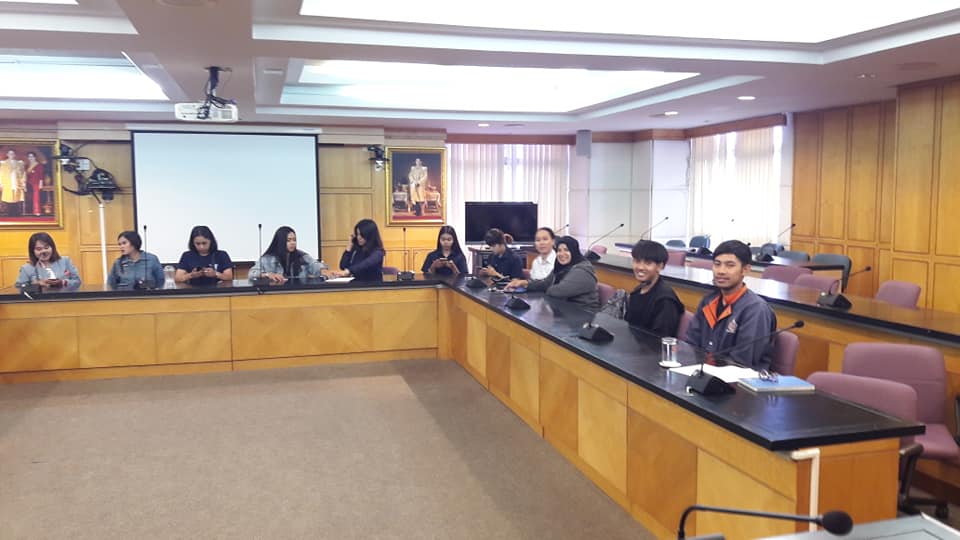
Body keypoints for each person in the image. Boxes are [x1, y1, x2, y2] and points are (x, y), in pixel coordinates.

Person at [685, 240, 777, 371]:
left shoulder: (756, 309)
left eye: (730, 265)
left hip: (736, 379)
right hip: (701, 372)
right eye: (717, 264)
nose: (721, 271)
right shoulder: (708, 301)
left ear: (745, 269)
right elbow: (691, 343)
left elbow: (742, 361)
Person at [506, 236, 600, 308]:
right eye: (559, 250)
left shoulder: (582, 271)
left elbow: (558, 291)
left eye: (566, 250)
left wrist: (546, 288)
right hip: (565, 309)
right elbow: (545, 283)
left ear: (574, 251)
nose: (562, 254)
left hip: (584, 314)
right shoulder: (561, 267)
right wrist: (525, 283)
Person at [624, 240, 684, 337]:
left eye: (648, 263)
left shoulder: (665, 300)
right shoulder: (637, 291)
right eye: (637, 261)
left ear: (660, 266)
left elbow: (660, 339)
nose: (640, 267)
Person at [250, 226, 326, 283]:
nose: (293, 243)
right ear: (280, 241)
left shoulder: (302, 256)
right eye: (288, 240)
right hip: (275, 293)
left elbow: (314, 264)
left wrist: (323, 270)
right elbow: (252, 273)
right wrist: (267, 274)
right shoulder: (267, 259)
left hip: (298, 293)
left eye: (294, 240)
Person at [16, 232, 81, 289]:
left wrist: (62, 282)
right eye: (39, 249)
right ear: (33, 251)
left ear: (52, 247)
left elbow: (77, 281)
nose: (43, 251)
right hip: (39, 299)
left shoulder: (65, 261)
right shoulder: (27, 268)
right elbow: (19, 287)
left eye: (46, 247)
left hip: (65, 298)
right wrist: (36, 284)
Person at [0, 149, 26, 214]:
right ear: (7, 155)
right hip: (7, 182)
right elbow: (1, 173)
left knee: (16, 197)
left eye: (12, 153)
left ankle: (16, 212)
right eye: (10, 153)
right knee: (8, 197)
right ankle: (9, 212)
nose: (11, 155)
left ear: (14, 155)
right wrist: (1, 183)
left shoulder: (19, 163)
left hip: (17, 182)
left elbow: (23, 173)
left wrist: (23, 182)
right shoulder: (3, 163)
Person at [25, 152, 47, 216]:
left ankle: (37, 211)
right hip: (29, 183)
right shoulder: (28, 166)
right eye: (29, 157)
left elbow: (41, 175)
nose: (30, 158)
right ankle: (30, 211)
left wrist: (41, 183)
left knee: (36, 198)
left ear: (35, 157)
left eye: (32, 156)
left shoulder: (39, 165)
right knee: (30, 198)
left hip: (36, 183)